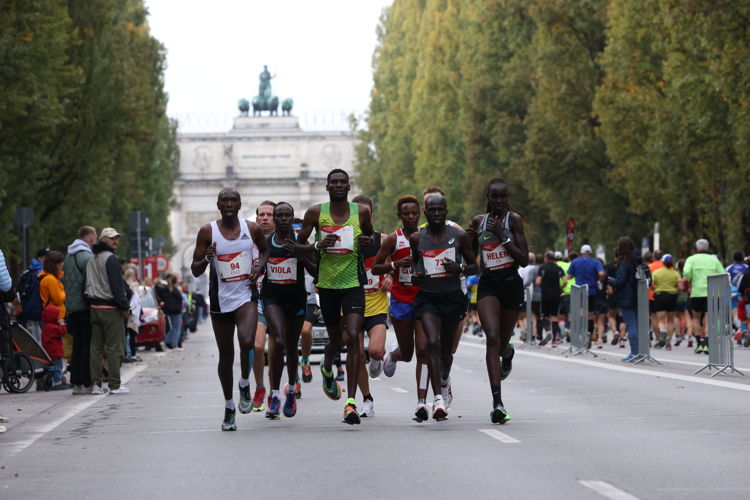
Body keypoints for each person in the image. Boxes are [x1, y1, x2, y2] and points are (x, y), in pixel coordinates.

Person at [293, 169, 374, 425]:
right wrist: (314, 259)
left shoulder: (360, 212)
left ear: (349, 186)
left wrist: (365, 242)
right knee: (337, 341)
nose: (338, 185)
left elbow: (371, 240)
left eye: (343, 181)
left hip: (353, 284)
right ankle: (327, 365)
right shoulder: (316, 213)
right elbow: (298, 246)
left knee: (353, 338)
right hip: (327, 286)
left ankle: (350, 403)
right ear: (327, 186)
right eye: (334, 182)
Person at [191, 188, 267, 431]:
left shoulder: (251, 229)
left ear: (240, 204)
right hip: (220, 300)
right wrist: (206, 258)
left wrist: (259, 268)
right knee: (225, 356)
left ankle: (245, 382)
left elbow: (265, 251)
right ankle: (229, 406)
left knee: (247, 342)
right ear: (218, 204)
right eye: (225, 200)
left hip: (246, 295)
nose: (229, 204)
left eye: (233, 200)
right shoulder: (207, 232)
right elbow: (194, 268)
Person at [468, 178, 529, 424]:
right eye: (495, 197)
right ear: (488, 196)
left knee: (502, 341)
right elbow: (472, 258)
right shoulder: (477, 221)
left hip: (511, 284)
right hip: (489, 283)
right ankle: (498, 404)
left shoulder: (513, 221)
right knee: (492, 337)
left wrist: (502, 236)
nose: (499, 201)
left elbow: (524, 259)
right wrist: (468, 240)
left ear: (507, 197)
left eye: (503, 197)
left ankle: (508, 352)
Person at [412, 193, 477, 421]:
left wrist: (459, 268)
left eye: (440, 210)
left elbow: (474, 267)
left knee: (446, 352)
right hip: (428, 299)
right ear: (425, 212)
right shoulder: (417, 238)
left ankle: (444, 379)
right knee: (431, 343)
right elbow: (414, 270)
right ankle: (437, 399)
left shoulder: (458, 235)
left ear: (446, 212)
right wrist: (416, 277)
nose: (437, 214)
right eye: (432, 210)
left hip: (452, 299)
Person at [373, 195, 430, 420]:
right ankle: (394, 356)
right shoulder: (393, 240)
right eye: (406, 213)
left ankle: (421, 403)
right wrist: (395, 265)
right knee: (409, 354)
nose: (410, 217)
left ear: (419, 214)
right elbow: (377, 268)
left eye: (414, 213)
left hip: (424, 299)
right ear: (399, 215)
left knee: (424, 351)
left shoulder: (428, 237)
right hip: (401, 301)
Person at [260, 202, 316, 419]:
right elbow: (262, 262)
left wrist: (301, 254)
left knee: (292, 348)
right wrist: (257, 270)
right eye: (279, 215)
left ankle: (291, 390)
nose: (283, 219)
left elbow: (315, 270)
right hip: (272, 297)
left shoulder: (300, 240)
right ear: (275, 218)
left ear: (292, 218)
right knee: (279, 342)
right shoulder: (267, 241)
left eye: (287, 215)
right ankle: (274, 395)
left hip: (296, 299)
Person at [352, 194, 390, 418]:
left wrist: (390, 278)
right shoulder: (346, 240)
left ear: (372, 216)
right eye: (357, 215)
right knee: (356, 353)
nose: (361, 218)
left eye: (365, 214)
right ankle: (367, 399)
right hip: (352, 303)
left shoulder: (383, 239)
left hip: (376, 304)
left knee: (375, 350)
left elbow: (395, 264)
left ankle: (377, 358)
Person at [85, 228, 131, 395]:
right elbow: (117, 287)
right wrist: (125, 308)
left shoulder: (92, 259)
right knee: (114, 348)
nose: (116, 241)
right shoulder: (111, 259)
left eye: (117, 238)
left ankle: (96, 385)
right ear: (103, 239)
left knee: (95, 348)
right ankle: (115, 384)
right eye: (112, 238)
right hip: (110, 309)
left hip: (94, 308)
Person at [63, 226, 97, 394]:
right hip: (85, 306)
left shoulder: (68, 256)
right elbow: (93, 280)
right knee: (87, 345)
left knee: (77, 345)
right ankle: (86, 381)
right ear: (90, 238)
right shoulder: (87, 256)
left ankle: (75, 382)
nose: (95, 240)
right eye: (95, 236)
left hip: (71, 308)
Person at [251, 200, 276, 412]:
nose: (265, 218)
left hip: (279, 301)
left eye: (270, 214)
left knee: (277, 352)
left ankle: (275, 392)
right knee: (258, 347)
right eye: (262, 215)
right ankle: (259, 387)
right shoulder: (247, 242)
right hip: (257, 301)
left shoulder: (285, 243)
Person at [683, 239, 726, 354]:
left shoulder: (691, 259)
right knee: (709, 318)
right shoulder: (714, 260)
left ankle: (699, 344)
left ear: (696, 248)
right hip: (712, 293)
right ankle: (707, 343)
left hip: (696, 292)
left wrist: (692, 278)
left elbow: (686, 273)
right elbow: (723, 274)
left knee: (695, 318)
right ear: (707, 248)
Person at [567, 244, 605, 345]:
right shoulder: (596, 262)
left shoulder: (575, 261)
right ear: (591, 253)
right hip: (591, 290)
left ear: (581, 253)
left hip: (578, 290)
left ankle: (579, 334)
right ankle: (589, 334)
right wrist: (599, 281)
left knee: (579, 312)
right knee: (591, 314)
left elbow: (569, 276)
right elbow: (601, 273)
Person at [608, 237, 638, 362]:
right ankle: (641, 352)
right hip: (638, 294)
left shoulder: (623, 263)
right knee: (637, 323)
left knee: (631, 324)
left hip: (626, 296)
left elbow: (620, 282)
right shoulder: (636, 261)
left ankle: (634, 352)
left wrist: (610, 280)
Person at [18, 247, 50, 342]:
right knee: (40, 340)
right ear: (40, 258)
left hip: (28, 311)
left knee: (33, 339)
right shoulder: (40, 273)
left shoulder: (28, 272)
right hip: (38, 312)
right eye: (46, 257)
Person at [536, 251, 565, 345]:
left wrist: (541, 287)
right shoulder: (558, 268)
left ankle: (548, 331)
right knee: (554, 317)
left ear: (546, 258)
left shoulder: (542, 268)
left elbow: (538, 281)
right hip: (556, 295)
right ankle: (554, 340)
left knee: (544, 316)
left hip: (545, 295)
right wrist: (560, 288)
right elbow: (565, 281)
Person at [652, 254, 680, 350]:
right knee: (671, 320)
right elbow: (679, 286)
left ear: (662, 262)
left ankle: (662, 331)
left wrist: (656, 288)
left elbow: (651, 284)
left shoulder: (656, 272)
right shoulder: (675, 273)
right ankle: (668, 341)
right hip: (672, 296)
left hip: (660, 295)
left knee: (661, 319)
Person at [41, 304, 69, 390]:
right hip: (55, 352)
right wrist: (62, 324)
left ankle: (51, 382)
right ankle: (58, 383)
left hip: (48, 351)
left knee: (52, 368)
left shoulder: (46, 327)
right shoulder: (53, 327)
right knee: (58, 367)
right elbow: (63, 331)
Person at [156, 275, 184, 350]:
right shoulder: (175, 289)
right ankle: (174, 345)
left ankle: (166, 341)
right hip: (176, 311)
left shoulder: (164, 289)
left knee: (173, 328)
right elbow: (180, 298)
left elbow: (159, 295)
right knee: (177, 328)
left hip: (168, 310)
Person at [123, 267, 142, 362]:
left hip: (124, 310)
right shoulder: (135, 285)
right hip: (133, 312)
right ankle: (132, 354)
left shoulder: (123, 284)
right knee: (132, 333)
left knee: (125, 334)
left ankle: (126, 353)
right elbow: (138, 299)